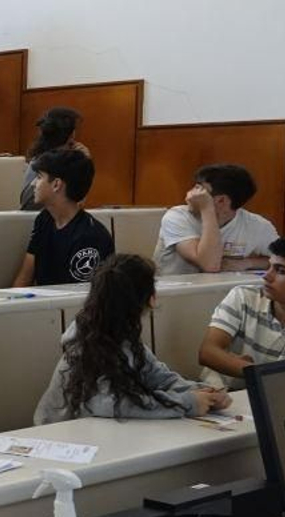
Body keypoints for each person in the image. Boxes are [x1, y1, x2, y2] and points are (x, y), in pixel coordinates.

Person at [35, 254, 230, 424]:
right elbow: (110, 403)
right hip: (66, 437)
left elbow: (160, 378)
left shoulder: (124, 337)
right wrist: (186, 403)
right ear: (146, 299)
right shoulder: (86, 345)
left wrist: (206, 393)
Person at [198, 235, 285, 389]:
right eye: (269, 266)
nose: (266, 276)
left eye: (280, 271)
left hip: (279, 405)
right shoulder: (244, 296)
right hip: (220, 397)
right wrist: (273, 375)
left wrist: (250, 370)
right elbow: (208, 352)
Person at [13, 149, 115, 287]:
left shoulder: (90, 237)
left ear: (56, 184)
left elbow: (78, 298)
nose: (33, 184)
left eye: (39, 177)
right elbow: (25, 277)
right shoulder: (44, 219)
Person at [155, 164, 279, 276]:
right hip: (175, 295)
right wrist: (208, 209)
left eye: (199, 189)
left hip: (225, 294)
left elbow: (284, 261)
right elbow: (210, 264)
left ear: (221, 201)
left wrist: (248, 263)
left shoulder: (258, 225)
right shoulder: (177, 216)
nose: (190, 194)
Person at [19, 107, 87, 210]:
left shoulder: (36, 161)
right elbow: (76, 206)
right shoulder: (59, 168)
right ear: (71, 136)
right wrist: (84, 164)